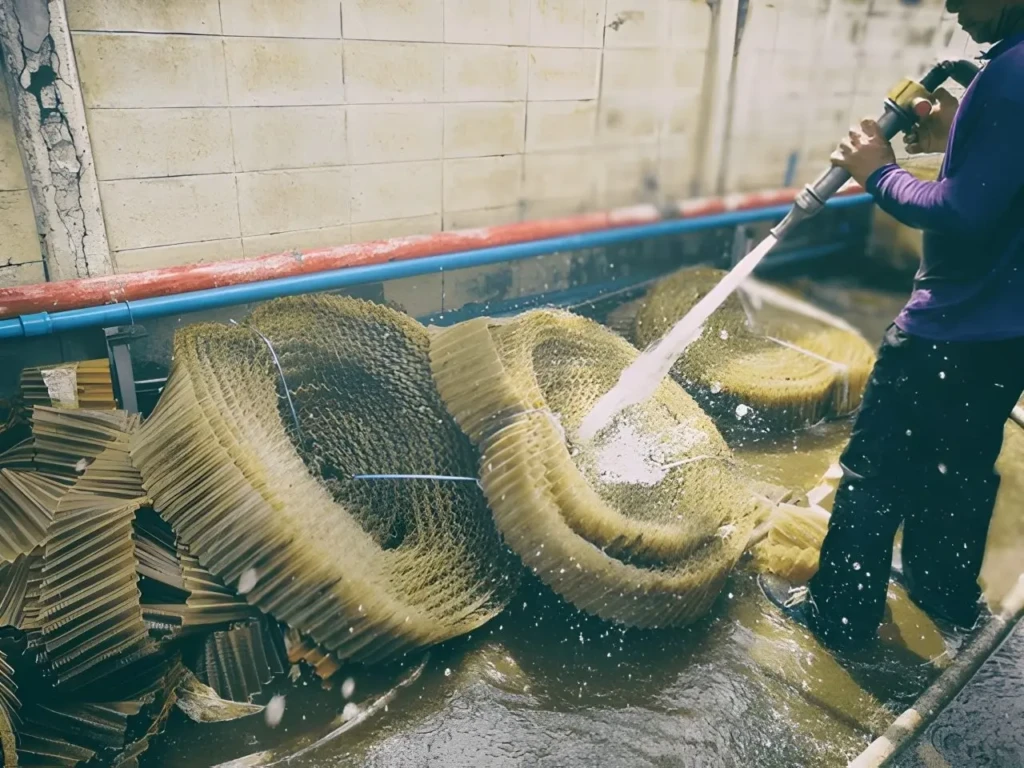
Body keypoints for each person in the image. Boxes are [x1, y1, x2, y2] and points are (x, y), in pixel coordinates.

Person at [760, 0, 1024, 651]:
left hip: (948, 329)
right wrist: (962, 139)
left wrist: (876, 170)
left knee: (875, 474)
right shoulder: (1010, 69)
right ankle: (944, 593)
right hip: (1007, 334)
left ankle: (840, 617)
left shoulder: (1010, 73)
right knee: (958, 467)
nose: (952, 5)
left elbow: (961, 213)